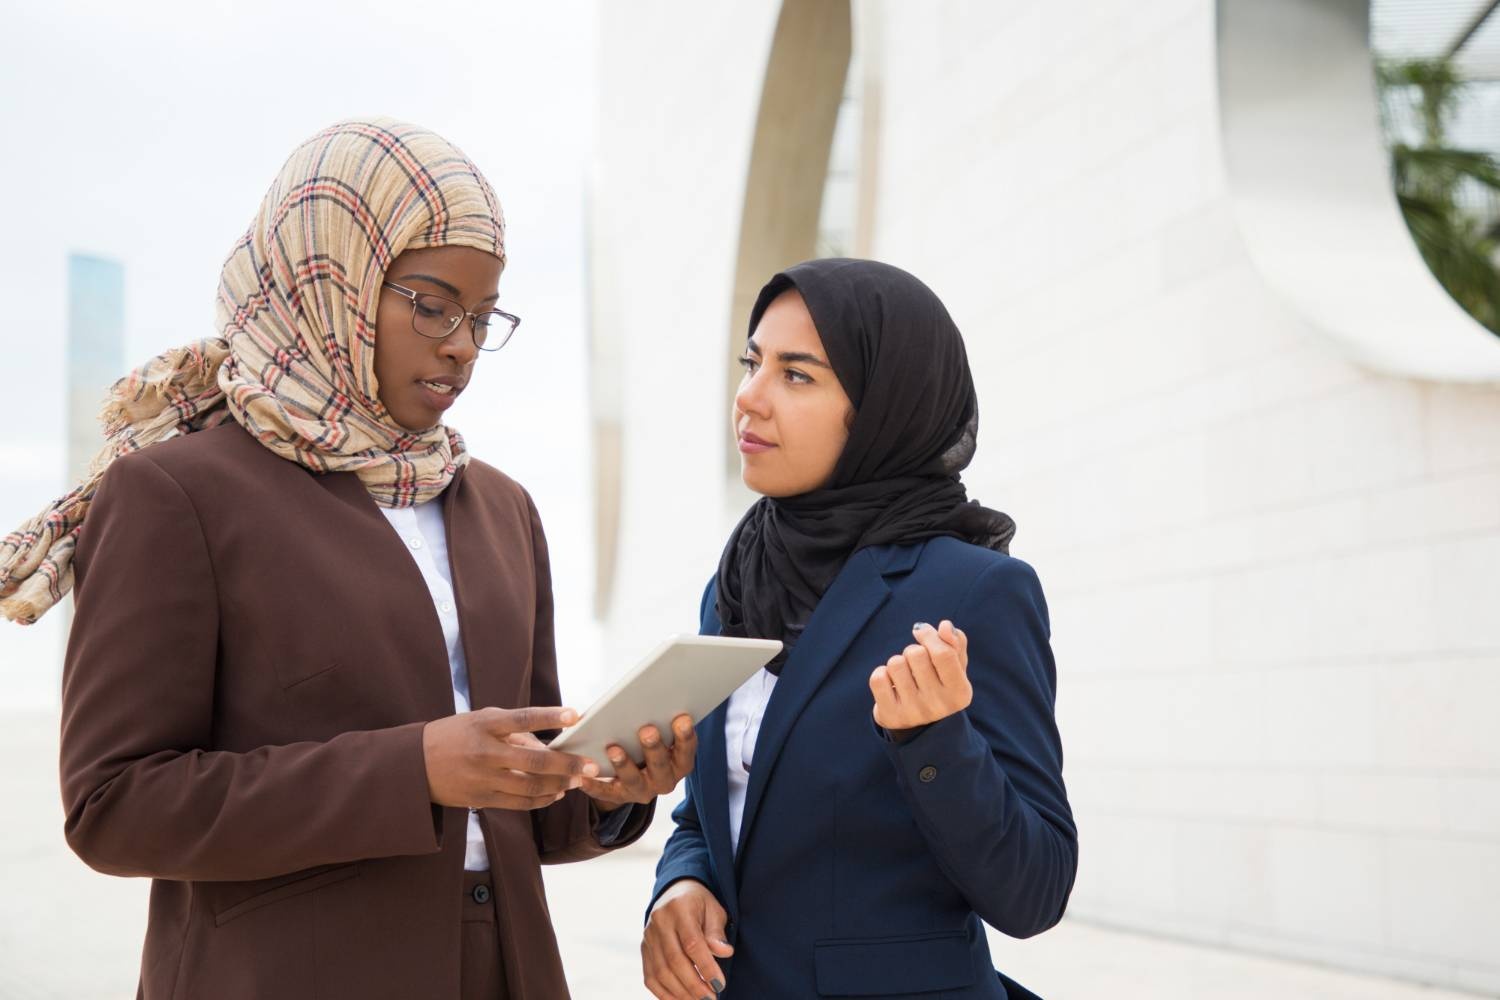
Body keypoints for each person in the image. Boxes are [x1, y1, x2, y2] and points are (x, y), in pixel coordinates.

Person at [0, 118, 693, 1000]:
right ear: (332, 278)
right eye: (434, 304)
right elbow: (114, 807)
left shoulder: (501, 509)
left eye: (483, 318)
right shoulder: (177, 495)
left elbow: (527, 811)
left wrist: (608, 787)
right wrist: (411, 771)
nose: (462, 345)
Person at [639, 259, 1077, 1000]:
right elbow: (725, 809)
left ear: (882, 406)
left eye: (797, 375)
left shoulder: (974, 590)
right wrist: (681, 883)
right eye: (753, 364)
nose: (749, 398)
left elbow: (1034, 892)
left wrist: (935, 738)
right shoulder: (737, 582)